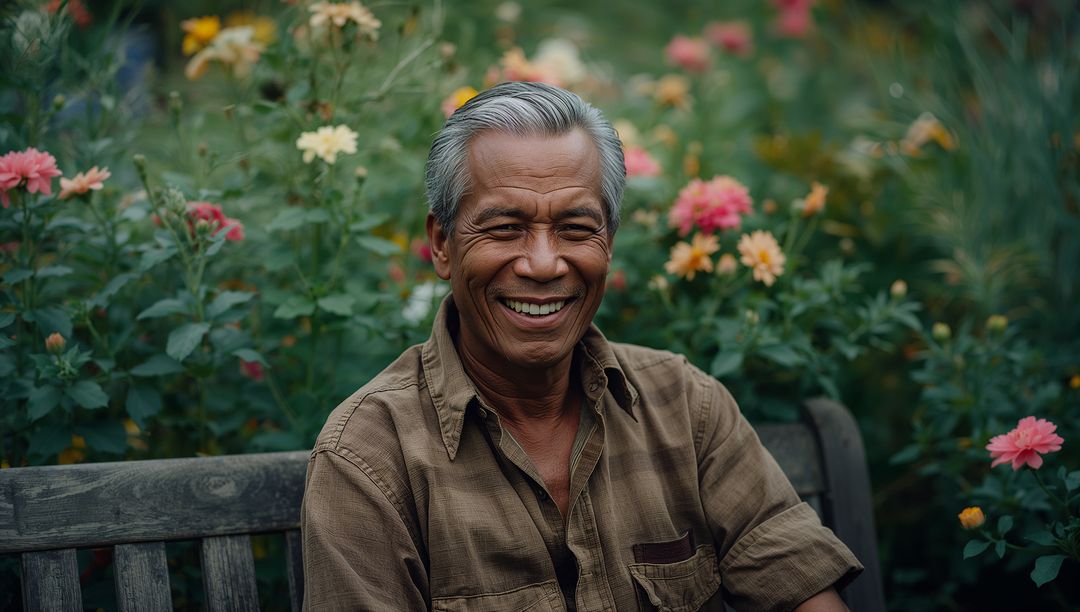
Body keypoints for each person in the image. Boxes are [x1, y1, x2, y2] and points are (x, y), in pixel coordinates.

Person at [301, 81, 862, 611]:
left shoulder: (686, 407)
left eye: (575, 228)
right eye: (504, 228)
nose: (544, 263)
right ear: (442, 245)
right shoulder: (370, 458)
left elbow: (800, 589)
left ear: (609, 244)